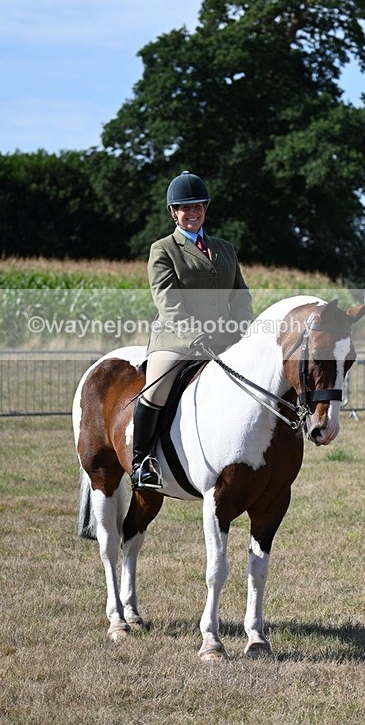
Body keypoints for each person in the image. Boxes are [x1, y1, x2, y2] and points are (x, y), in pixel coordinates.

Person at [131, 170, 254, 489]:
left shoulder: (224, 248)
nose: (192, 212)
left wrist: (244, 329)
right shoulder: (163, 250)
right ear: (173, 212)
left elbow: (240, 294)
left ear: (206, 208)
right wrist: (196, 336)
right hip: (177, 339)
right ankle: (142, 461)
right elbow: (168, 302)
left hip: (225, 339)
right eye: (185, 208)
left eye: (198, 206)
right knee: (156, 388)